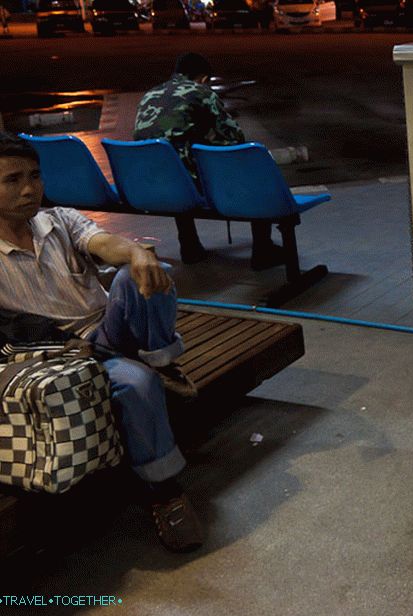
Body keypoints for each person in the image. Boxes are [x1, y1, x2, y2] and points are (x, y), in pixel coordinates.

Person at [0, 132, 204, 553]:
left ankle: (162, 362)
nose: (29, 189)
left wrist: (138, 253)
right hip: (62, 356)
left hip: (109, 331)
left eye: (34, 176)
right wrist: (59, 343)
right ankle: (165, 493)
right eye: (12, 180)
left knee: (144, 273)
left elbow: (105, 244)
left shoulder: (58, 221)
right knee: (136, 385)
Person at [134, 52, 286, 269]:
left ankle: (189, 244)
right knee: (255, 168)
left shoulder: (150, 94)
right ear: (204, 78)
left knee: (174, 164)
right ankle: (263, 249)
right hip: (186, 184)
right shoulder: (202, 92)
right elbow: (235, 137)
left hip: (149, 183)